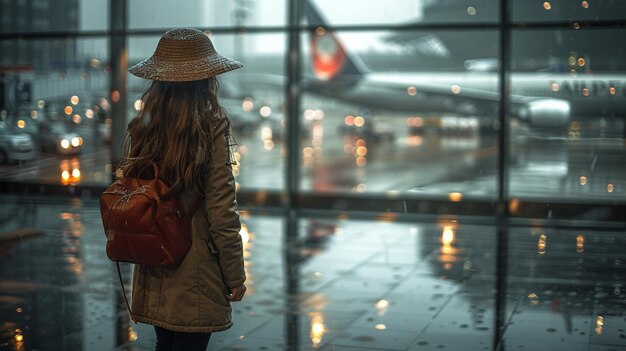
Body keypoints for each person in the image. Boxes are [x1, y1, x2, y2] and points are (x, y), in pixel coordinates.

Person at [121, 27, 247, 351]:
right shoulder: (211, 126)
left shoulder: (144, 127)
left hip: (155, 257)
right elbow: (222, 212)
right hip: (195, 266)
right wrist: (235, 275)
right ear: (205, 78)